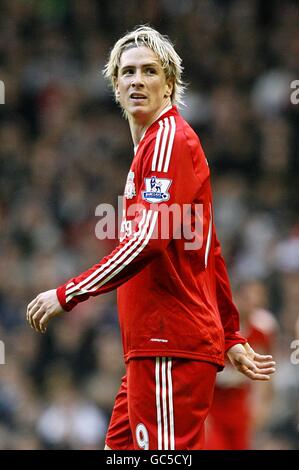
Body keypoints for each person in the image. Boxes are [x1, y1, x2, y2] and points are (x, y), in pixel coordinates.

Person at [26, 26, 275, 450]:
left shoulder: (168, 140)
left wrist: (68, 294)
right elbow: (207, 248)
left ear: (169, 85)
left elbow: (149, 241)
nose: (136, 80)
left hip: (168, 345)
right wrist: (229, 333)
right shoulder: (154, 149)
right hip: (154, 348)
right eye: (127, 72)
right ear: (115, 85)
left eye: (149, 71)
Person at [205, 280, 278, 450]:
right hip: (213, 406)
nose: (253, 303)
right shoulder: (216, 329)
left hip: (240, 407)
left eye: (258, 299)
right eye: (248, 297)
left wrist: (263, 404)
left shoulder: (261, 331)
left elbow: (267, 369)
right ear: (235, 297)